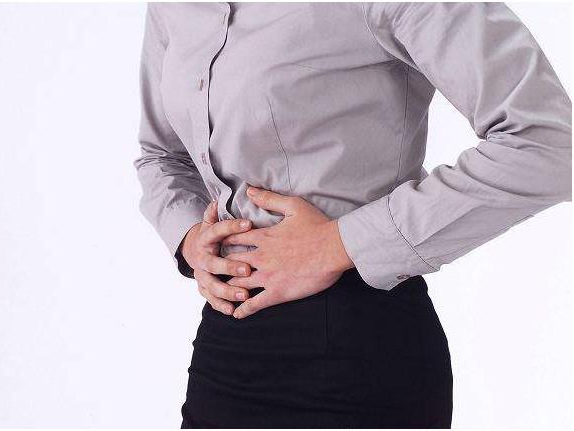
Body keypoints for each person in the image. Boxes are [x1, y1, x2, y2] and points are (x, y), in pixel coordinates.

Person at [134, 3, 571, 428]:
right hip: (225, 349)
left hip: (356, 351)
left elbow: (548, 145)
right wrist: (190, 238)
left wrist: (339, 243)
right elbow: (161, 155)